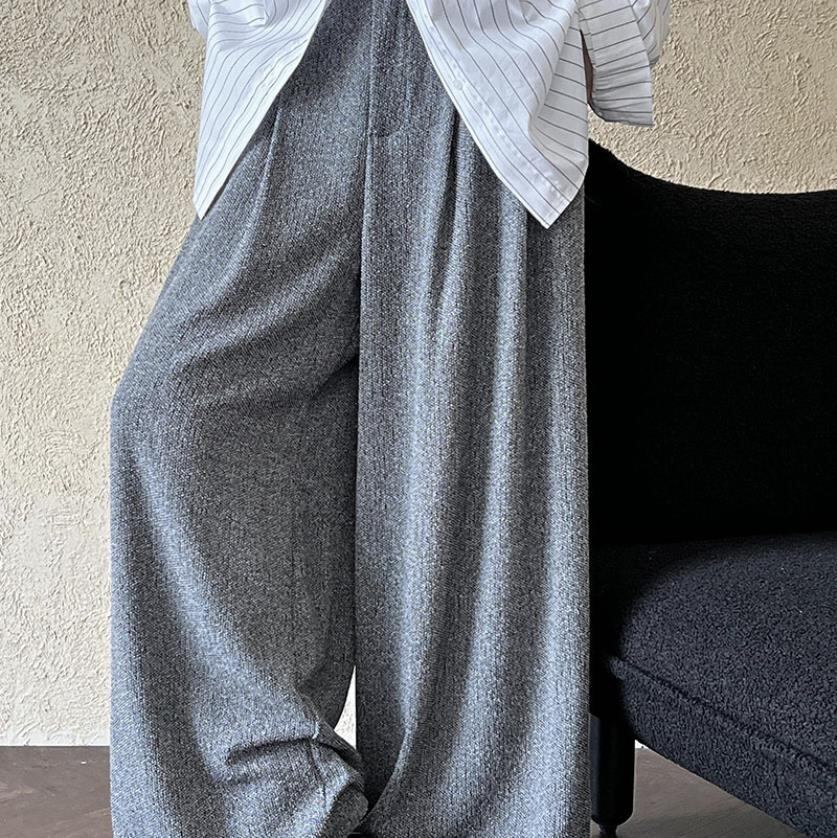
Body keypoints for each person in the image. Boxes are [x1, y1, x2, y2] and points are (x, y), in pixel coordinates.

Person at [108, 1, 670, 836]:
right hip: (297, 61)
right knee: (170, 413)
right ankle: (259, 813)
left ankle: (471, 819)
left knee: (461, 486)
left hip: (484, 66)